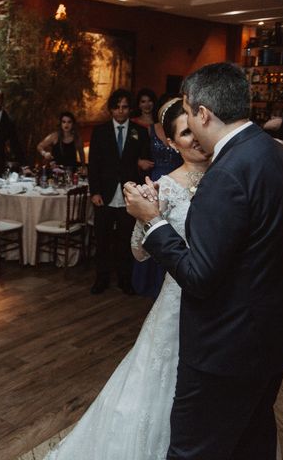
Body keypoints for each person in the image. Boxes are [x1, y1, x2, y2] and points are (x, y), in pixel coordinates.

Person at [125, 62, 283, 459]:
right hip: (271, 338)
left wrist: (152, 221)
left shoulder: (227, 173)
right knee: (249, 444)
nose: (185, 118)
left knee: (194, 450)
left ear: (203, 113)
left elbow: (200, 277)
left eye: (187, 110)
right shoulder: (276, 153)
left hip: (226, 347)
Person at [45, 97, 211, 460]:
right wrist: (146, 216)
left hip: (221, 300)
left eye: (197, 129)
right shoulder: (164, 187)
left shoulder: (228, 174)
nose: (195, 139)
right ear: (171, 142)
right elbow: (139, 251)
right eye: (185, 133)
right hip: (178, 299)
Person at [88, 88, 151, 295]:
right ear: (111, 109)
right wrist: (94, 191)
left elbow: (144, 162)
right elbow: (94, 165)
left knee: (126, 239)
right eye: (117, 107)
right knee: (103, 240)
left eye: (124, 107)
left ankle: (125, 279)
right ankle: (101, 279)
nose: (121, 111)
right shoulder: (100, 131)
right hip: (104, 195)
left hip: (128, 195)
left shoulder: (139, 132)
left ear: (129, 109)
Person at [130, 89, 182, 299]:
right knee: (151, 227)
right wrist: (139, 162)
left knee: (171, 229)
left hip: (178, 181)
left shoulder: (181, 133)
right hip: (156, 179)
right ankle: (146, 282)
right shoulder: (149, 130)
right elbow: (134, 155)